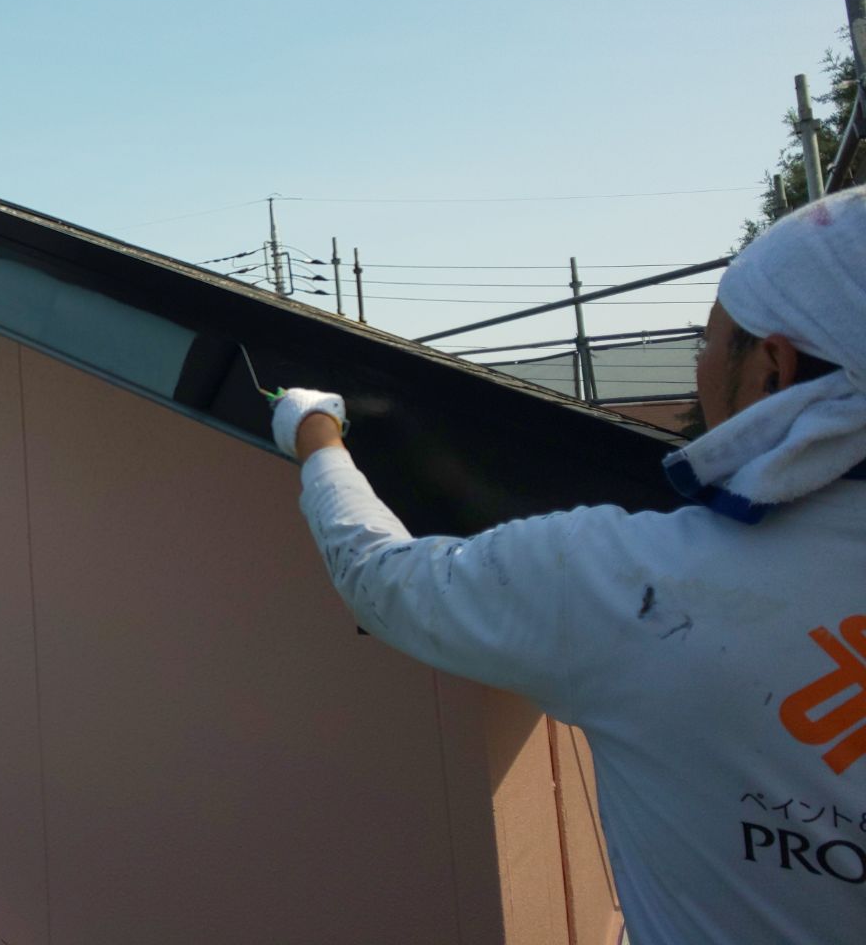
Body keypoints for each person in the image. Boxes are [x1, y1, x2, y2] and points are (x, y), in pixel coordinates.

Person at [270, 186, 866, 945]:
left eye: (710, 341)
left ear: (773, 370)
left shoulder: (633, 582)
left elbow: (383, 581)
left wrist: (315, 435)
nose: (699, 363)